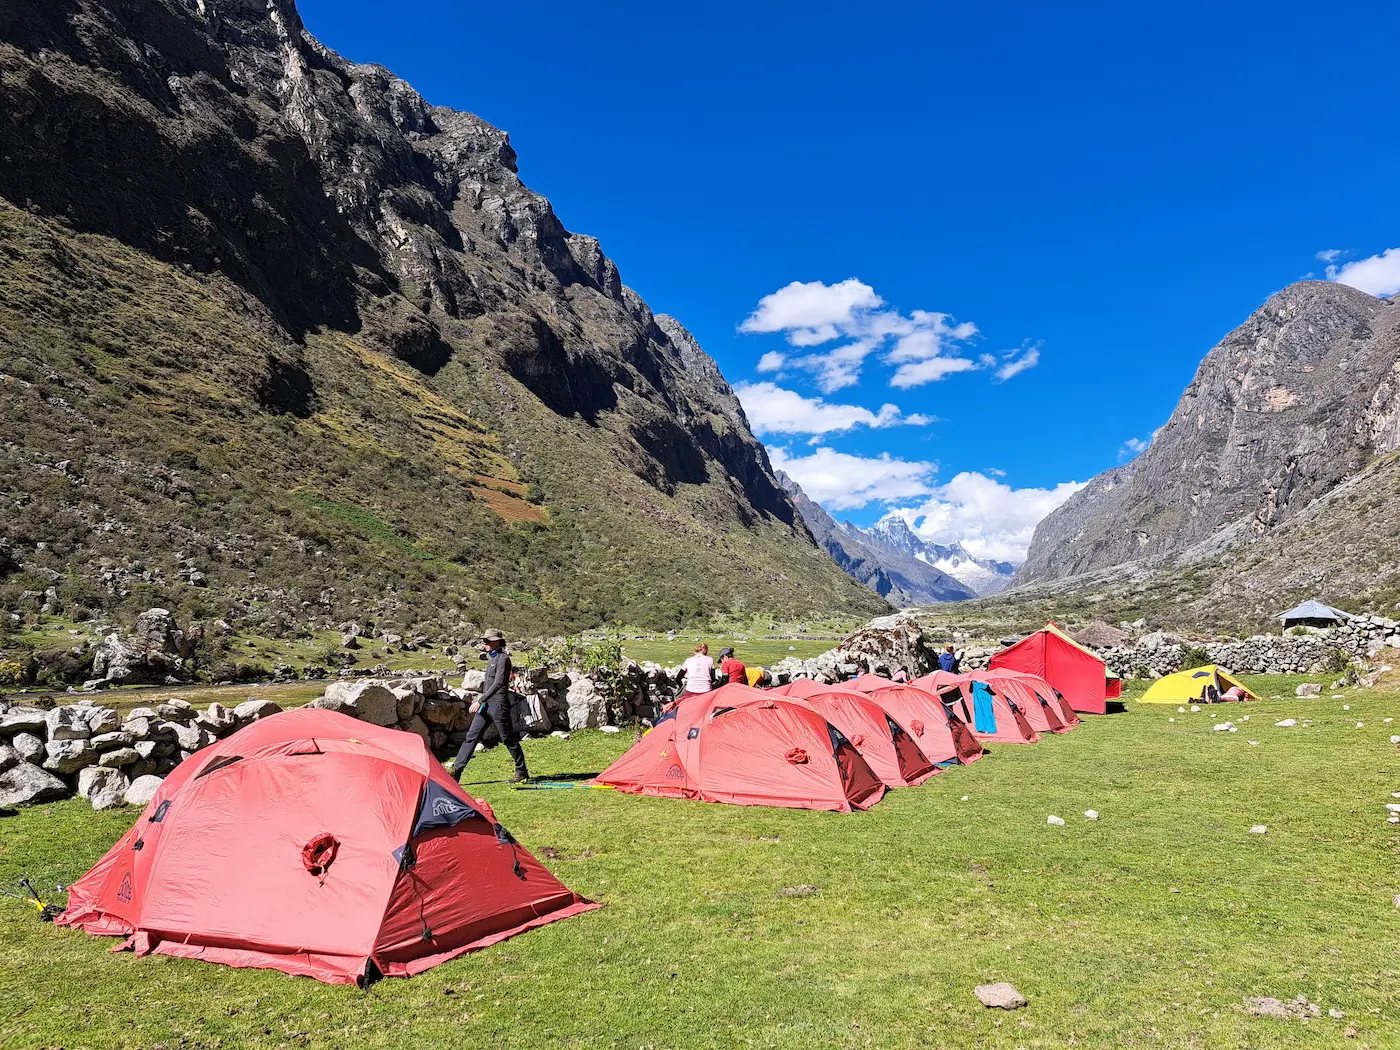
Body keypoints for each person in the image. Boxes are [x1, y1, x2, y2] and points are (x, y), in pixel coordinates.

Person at [450, 629, 529, 784]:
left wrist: (480, 700)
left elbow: (499, 683)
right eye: (484, 641)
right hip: (486, 706)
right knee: (471, 737)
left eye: (488, 641)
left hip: (499, 705)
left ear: (497, 642)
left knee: (508, 739)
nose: (485, 644)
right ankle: (455, 774)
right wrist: (483, 701)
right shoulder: (492, 658)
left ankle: (522, 771)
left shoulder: (503, 659)